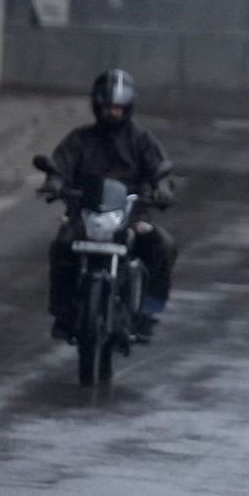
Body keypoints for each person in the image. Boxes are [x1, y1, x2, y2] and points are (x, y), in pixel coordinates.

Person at [43, 70, 177, 341]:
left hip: (131, 214)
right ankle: (62, 312)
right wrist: (55, 182)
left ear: (127, 108)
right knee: (61, 244)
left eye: (117, 108)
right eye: (106, 108)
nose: (111, 113)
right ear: (96, 106)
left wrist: (162, 190)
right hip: (84, 214)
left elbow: (160, 171)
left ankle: (150, 312)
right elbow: (59, 165)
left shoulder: (141, 140)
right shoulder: (80, 139)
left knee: (163, 245)